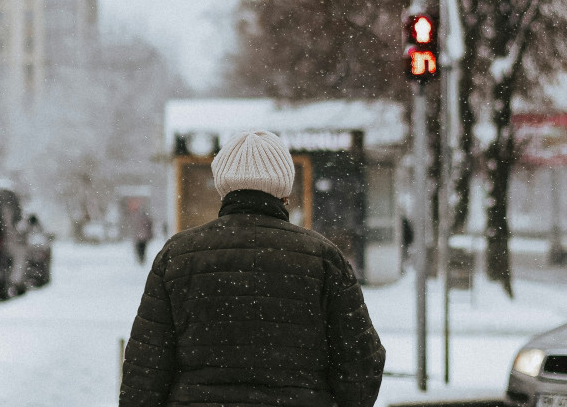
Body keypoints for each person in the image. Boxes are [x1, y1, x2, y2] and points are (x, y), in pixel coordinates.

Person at [119, 130, 385, 407]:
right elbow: (362, 363)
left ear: (224, 186)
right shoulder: (323, 258)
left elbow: (145, 369)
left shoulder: (178, 255)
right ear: (284, 187)